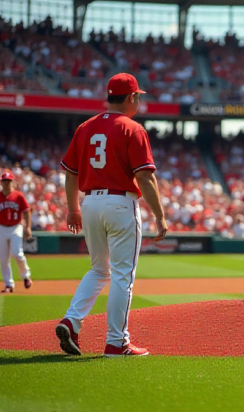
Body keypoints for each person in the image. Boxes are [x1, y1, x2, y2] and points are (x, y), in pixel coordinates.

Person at [56, 73, 168, 358]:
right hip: (120, 203)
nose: (139, 100)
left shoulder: (85, 127)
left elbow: (71, 174)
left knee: (99, 269)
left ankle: (72, 320)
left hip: (90, 203)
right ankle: (116, 342)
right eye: (138, 96)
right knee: (122, 275)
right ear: (130, 97)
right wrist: (160, 215)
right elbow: (144, 177)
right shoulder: (133, 129)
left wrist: (73, 208)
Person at [0, 171, 32, 293]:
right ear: (1, 182)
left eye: (8, 181)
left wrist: (28, 228)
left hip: (16, 227)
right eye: (4, 181)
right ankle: (8, 284)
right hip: (0, 227)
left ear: (12, 182)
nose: (6, 183)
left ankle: (25, 276)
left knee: (17, 253)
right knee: (4, 258)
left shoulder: (18, 196)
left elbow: (27, 211)